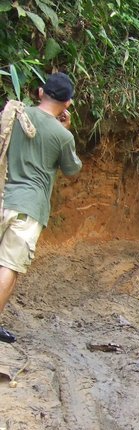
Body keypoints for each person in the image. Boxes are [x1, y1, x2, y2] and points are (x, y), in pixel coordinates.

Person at [0, 72, 82, 344]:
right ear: (68, 103)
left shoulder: (14, 114)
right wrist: (65, 131)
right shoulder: (62, 136)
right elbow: (72, 169)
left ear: (39, 92)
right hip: (29, 207)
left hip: (3, 194)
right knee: (9, 265)